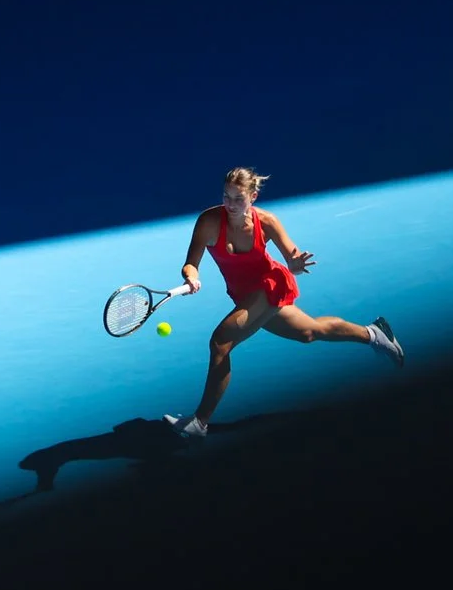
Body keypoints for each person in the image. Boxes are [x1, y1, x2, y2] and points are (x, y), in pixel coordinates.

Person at [166, 167, 403, 439]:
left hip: (270, 285)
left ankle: (199, 422)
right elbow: (191, 263)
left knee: (220, 342)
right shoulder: (208, 221)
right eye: (226, 196)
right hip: (243, 294)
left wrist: (296, 264)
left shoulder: (266, 222)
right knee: (309, 332)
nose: (230, 204)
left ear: (252, 197)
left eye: (238, 198)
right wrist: (191, 277)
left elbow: (292, 257)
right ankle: (375, 334)